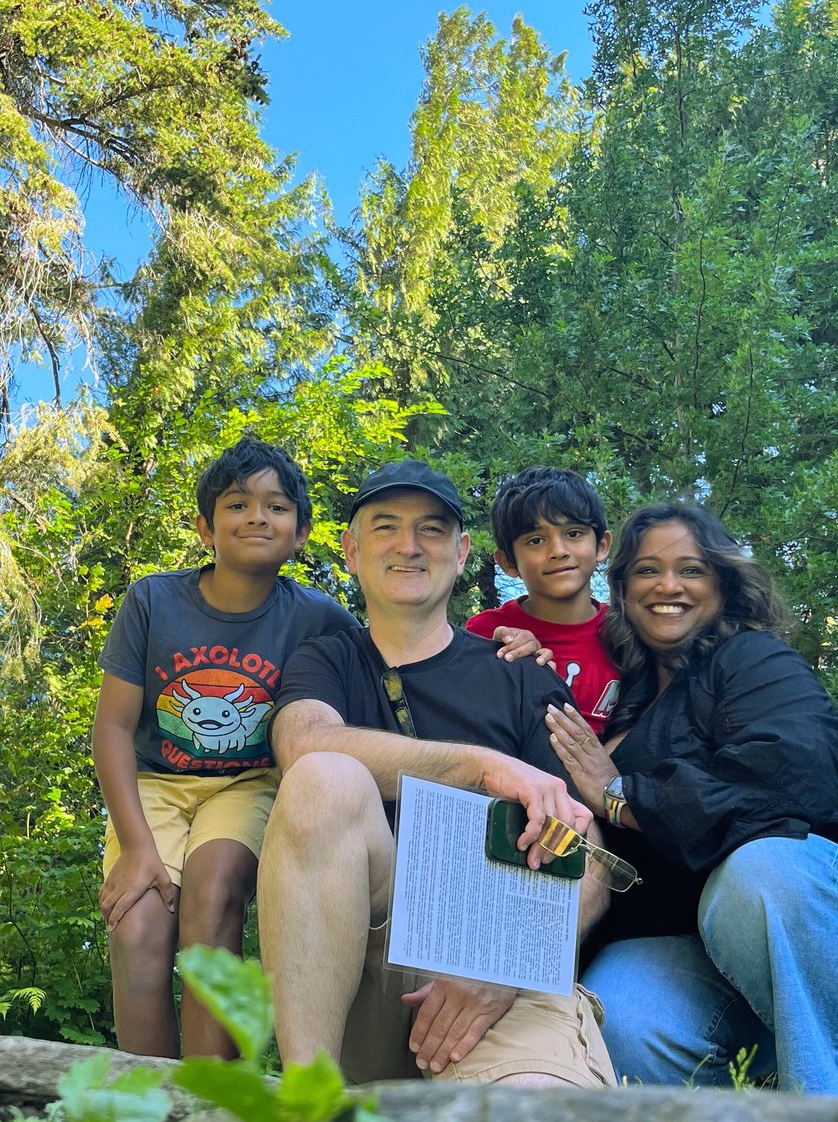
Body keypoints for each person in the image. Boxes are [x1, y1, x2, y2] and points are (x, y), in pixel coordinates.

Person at [544, 502, 838, 1096]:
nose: (668, 585)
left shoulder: (755, 660)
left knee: (762, 869)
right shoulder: (620, 702)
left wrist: (623, 796)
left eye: (691, 570)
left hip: (837, 927)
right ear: (620, 591)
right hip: (701, 957)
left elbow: (791, 780)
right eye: (646, 570)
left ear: (723, 584)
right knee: (618, 1014)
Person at [259, 459, 615, 1087]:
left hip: (495, 965)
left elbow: (588, 858)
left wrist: (502, 965)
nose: (408, 545)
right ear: (349, 550)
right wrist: (480, 766)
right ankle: (306, 1113)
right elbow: (302, 744)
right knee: (324, 779)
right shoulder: (326, 661)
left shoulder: (521, 677)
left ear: (462, 550)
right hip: (360, 967)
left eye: (430, 528)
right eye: (386, 526)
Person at [92, 437, 358, 1059]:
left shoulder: (318, 616)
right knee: (137, 926)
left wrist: (502, 636)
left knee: (211, 902)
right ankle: (150, 1111)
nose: (258, 517)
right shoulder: (153, 601)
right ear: (205, 526)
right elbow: (111, 730)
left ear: (302, 530)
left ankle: (214, 1105)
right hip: (154, 786)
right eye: (237, 504)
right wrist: (135, 848)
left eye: (277, 506)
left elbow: (395, 653)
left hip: (248, 785)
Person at [465, 465, 621, 733]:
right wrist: (496, 662)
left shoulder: (627, 633)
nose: (558, 551)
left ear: (602, 545)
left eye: (573, 533)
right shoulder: (486, 633)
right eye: (536, 540)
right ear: (507, 562)